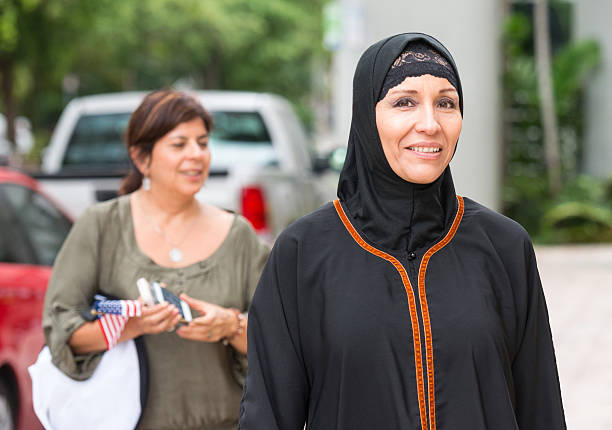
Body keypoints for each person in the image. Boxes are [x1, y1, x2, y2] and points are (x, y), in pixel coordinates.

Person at [238, 33, 566, 430]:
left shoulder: (504, 246)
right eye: (404, 102)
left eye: (446, 103)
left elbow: (540, 408)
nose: (429, 124)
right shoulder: (303, 252)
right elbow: (268, 416)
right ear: (365, 115)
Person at [42, 89, 270, 430]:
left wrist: (231, 325)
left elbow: (280, 340)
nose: (196, 155)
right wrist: (128, 326)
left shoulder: (238, 234)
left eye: (203, 143)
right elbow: (62, 329)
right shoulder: (101, 225)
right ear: (141, 157)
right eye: (179, 144)